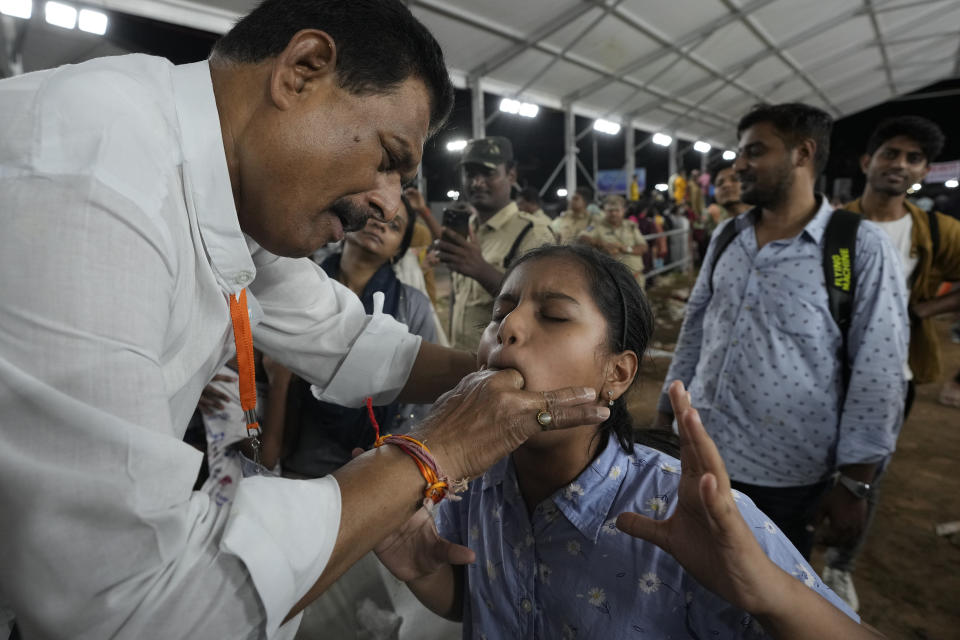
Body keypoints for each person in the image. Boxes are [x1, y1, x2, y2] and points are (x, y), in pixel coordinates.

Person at [0, 2, 611, 638]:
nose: (383, 205)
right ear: (302, 70)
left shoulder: (227, 187)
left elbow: (345, 341)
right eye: (386, 157)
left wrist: (506, 367)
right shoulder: (91, 173)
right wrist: (436, 452)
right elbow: (126, 603)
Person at [375, 245, 879, 639]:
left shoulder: (688, 514)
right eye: (499, 313)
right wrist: (422, 573)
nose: (507, 328)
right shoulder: (472, 481)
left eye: (553, 316)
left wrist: (767, 591)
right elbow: (480, 601)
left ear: (616, 374)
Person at [656, 103, 909, 560]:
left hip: (785, 476)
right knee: (685, 577)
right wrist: (665, 417)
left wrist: (855, 483)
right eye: (739, 152)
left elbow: (880, 369)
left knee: (765, 603)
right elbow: (696, 330)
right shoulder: (727, 237)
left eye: (755, 151)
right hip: (697, 451)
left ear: (802, 153)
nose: (739, 165)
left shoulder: (856, 247)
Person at [824, 115, 960, 609]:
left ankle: (839, 567)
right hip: (826, 374)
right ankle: (791, 549)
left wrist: (923, 310)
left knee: (865, 474)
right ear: (867, 162)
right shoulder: (835, 225)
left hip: (890, 379)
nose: (899, 164)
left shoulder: (936, 231)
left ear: (923, 171)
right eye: (890, 154)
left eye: (912, 158)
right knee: (814, 465)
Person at [437, 137, 555, 352]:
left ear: (511, 175)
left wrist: (481, 270)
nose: (477, 183)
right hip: (461, 359)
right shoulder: (468, 230)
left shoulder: (532, 233)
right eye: (470, 174)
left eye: (488, 173)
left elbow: (541, 309)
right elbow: (458, 297)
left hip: (501, 366)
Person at [578, 194, 648, 287]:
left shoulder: (631, 226)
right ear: (604, 211)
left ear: (623, 211)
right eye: (610, 210)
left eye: (617, 210)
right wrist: (603, 244)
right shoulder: (596, 225)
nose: (614, 213)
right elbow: (582, 237)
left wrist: (626, 249)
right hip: (609, 281)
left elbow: (643, 247)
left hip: (634, 279)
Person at [706, 158, 751, 229]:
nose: (726, 185)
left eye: (735, 179)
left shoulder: (770, 223)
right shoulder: (720, 232)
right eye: (719, 183)